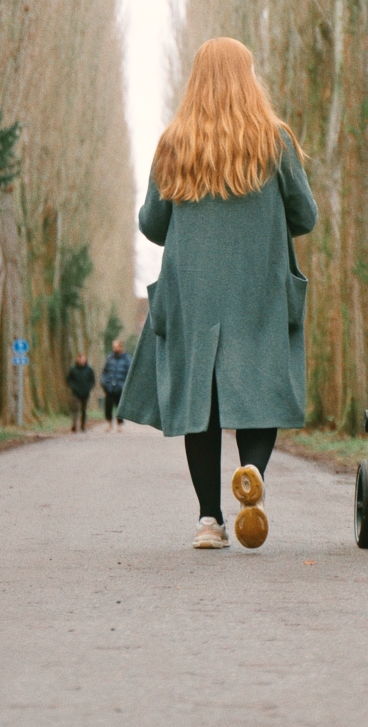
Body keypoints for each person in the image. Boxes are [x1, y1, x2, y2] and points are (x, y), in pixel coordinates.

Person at [118, 37, 318, 550]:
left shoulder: (174, 143)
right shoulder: (274, 141)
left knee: (198, 402)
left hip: (195, 294)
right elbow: (306, 216)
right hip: (260, 290)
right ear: (249, 79)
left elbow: (152, 224)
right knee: (262, 390)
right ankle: (251, 472)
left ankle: (209, 521)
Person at [99, 340, 131, 430]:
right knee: (108, 406)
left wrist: (125, 385)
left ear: (121, 347)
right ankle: (109, 423)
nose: (115, 348)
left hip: (120, 387)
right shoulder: (109, 358)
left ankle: (119, 424)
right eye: (113, 347)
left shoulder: (127, 359)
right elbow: (104, 371)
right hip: (109, 387)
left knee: (119, 407)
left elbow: (129, 373)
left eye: (116, 346)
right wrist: (104, 383)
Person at [65, 354, 96, 432]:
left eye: (83, 359)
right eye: (80, 359)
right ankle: (74, 426)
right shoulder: (73, 369)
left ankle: (83, 426)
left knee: (84, 410)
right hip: (75, 392)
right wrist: (73, 387)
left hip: (86, 392)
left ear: (85, 360)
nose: (81, 360)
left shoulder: (89, 370)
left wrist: (88, 388)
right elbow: (69, 380)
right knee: (75, 409)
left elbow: (92, 381)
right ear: (77, 359)